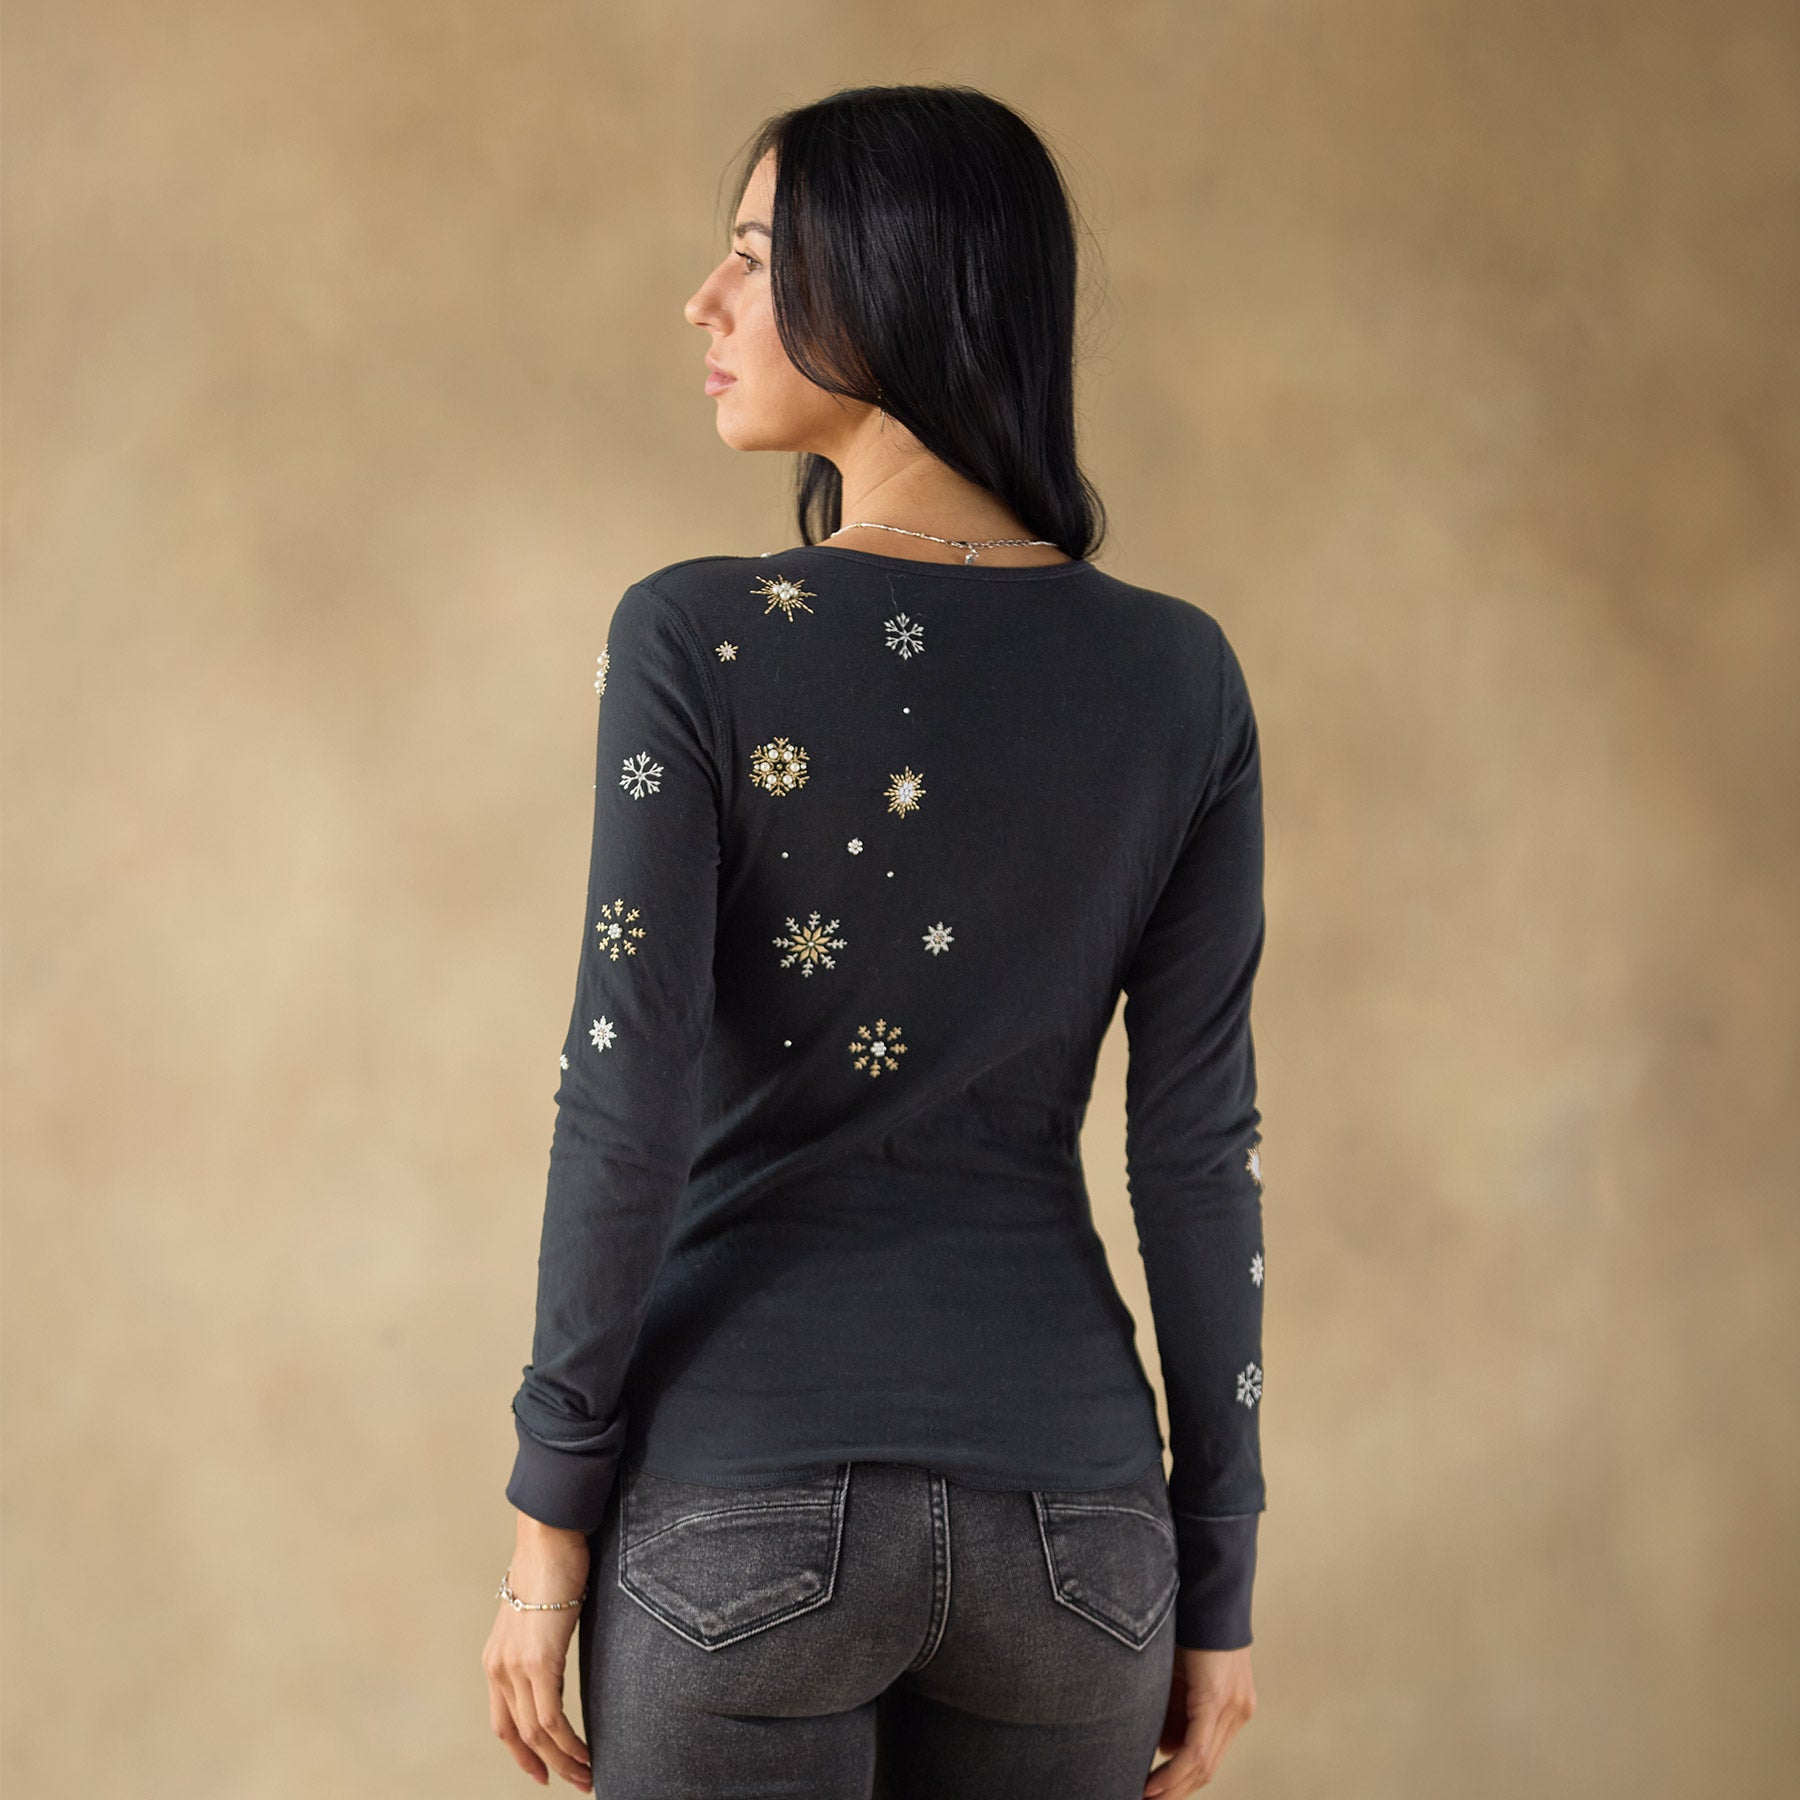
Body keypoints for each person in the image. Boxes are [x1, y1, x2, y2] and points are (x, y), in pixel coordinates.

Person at [482, 83, 1266, 1800]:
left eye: (756, 257)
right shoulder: (1181, 677)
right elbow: (1198, 1151)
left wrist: (548, 1525)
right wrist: (1219, 1579)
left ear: (891, 284)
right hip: (1079, 1542)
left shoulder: (696, 635)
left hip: (741, 1517)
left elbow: (626, 1096)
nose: (705, 300)